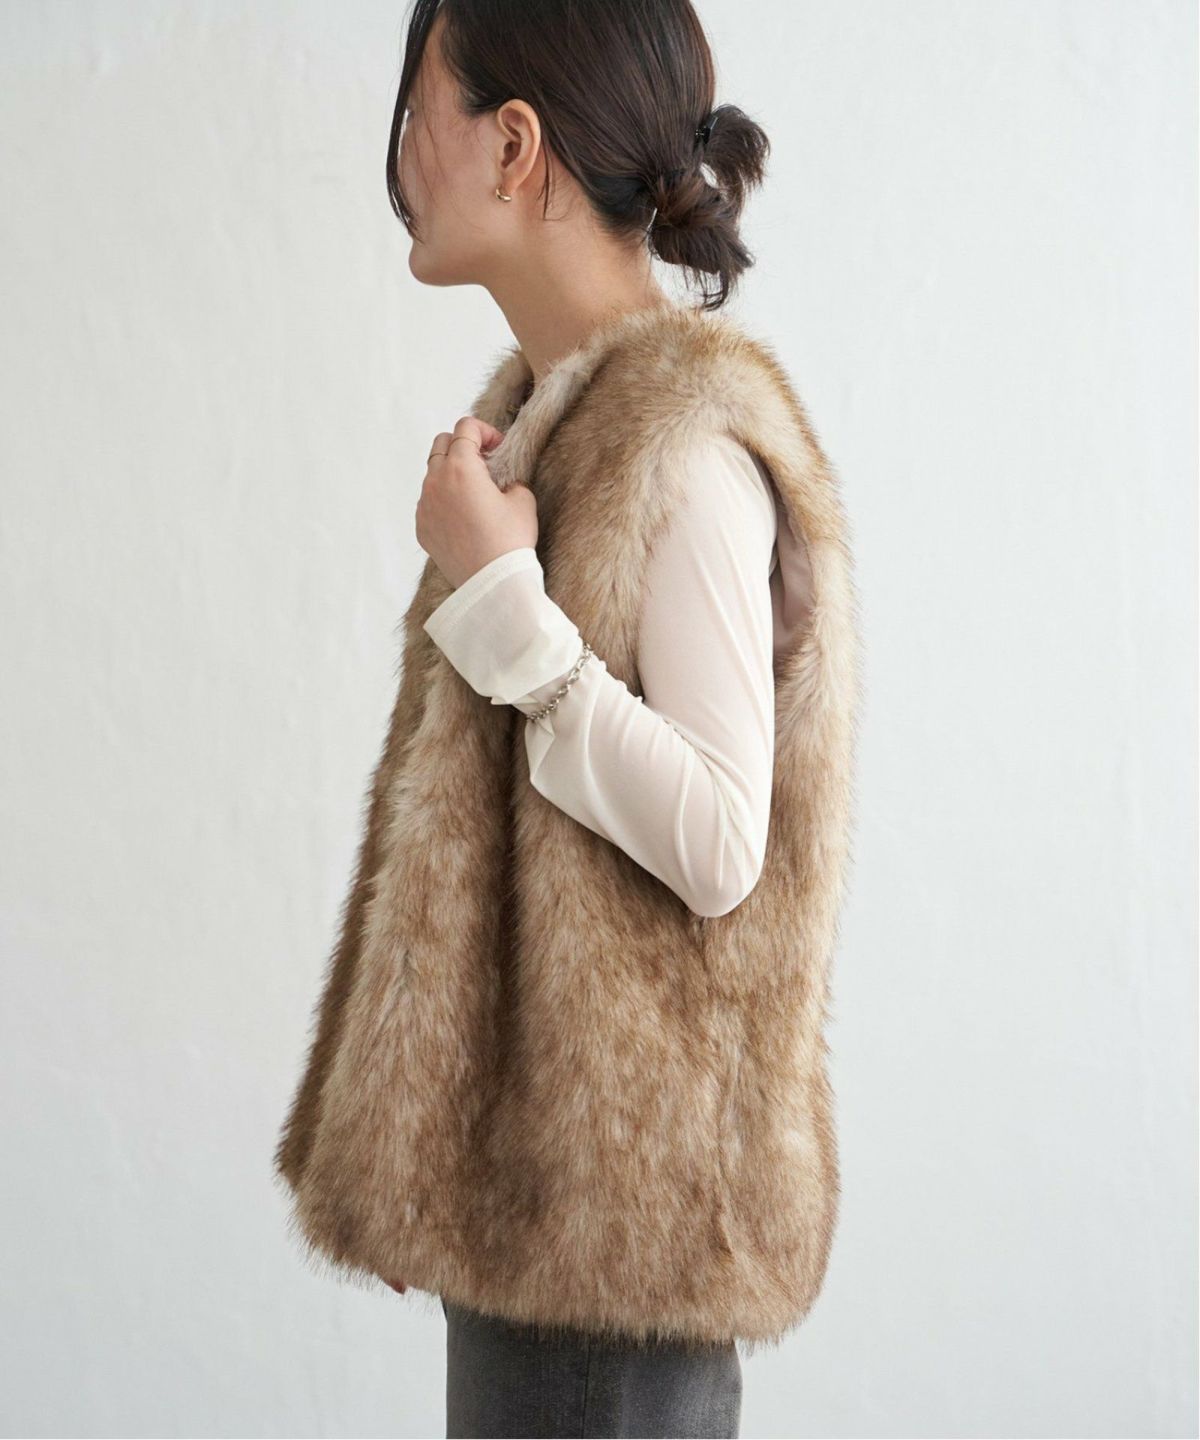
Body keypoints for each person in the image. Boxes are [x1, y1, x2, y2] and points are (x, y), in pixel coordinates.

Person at [273, 2, 863, 1436]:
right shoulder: (559, 424)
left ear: (513, 144)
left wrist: (506, 612)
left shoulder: (683, 445)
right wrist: (427, 1149)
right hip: (547, 1227)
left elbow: (719, 842)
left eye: (421, 109)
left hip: (619, 1257)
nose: (400, 153)